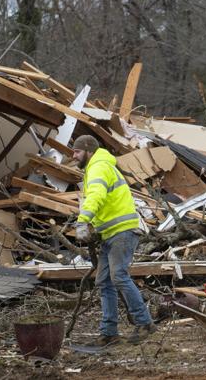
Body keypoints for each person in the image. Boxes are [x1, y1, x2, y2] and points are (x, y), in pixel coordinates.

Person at [72, 135, 156, 346]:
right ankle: (109, 333)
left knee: (118, 276)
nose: (73, 156)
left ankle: (145, 323)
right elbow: (103, 201)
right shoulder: (97, 167)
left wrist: (83, 221)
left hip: (122, 231)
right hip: (111, 233)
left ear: (89, 150)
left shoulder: (99, 166)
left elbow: (96, 196)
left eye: (77, 151)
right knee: (104, 281)